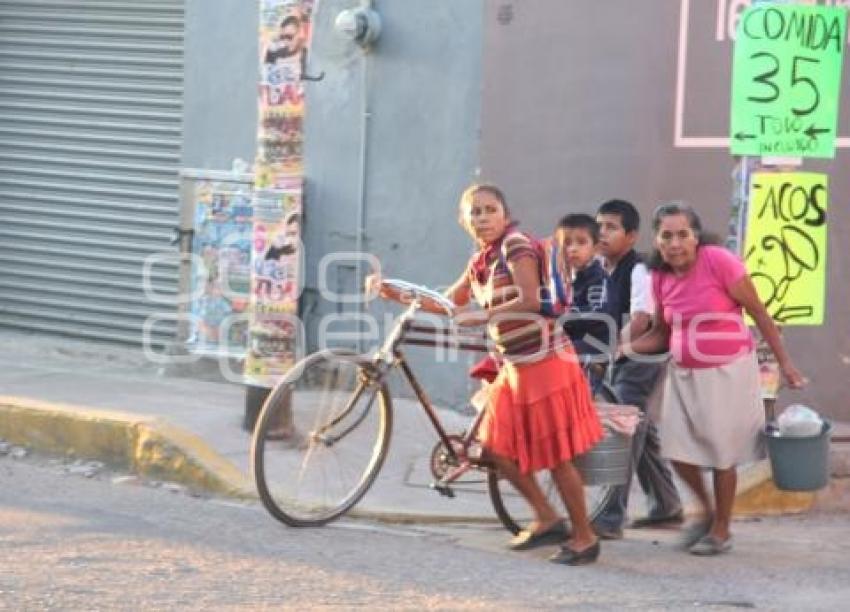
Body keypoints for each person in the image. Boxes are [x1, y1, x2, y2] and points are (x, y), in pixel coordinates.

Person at [369, 184, 604, 565]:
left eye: (489, 210)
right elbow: (451, 303)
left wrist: (485, 315)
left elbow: (529, 298)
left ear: (505, 213)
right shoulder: (481, 259)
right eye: (474, 212)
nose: (482, 218)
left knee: (557, 457)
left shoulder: (515, 246)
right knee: (494, 449)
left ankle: (584, 538)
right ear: (463, 221)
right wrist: (392, 292)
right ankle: (546, 517)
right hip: (514, 367)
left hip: (546, 364)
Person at [623, 201, 805, 555]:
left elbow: (759, 314)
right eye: (666, 236)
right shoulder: (658, 276)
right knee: (674, 447)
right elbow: (662, 332)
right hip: (684, 371)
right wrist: (624, 348)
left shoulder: (718, 261)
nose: (674, 243)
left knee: (723, 453)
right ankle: (705, 511)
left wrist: (787, 365)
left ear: (696, 237)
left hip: (728, 370)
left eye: (682, 235)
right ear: (656, 239)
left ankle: (721, 529)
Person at [590, 199, 682, 540]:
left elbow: (643, 320)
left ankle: (611, 515)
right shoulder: (601, 266)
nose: (602, 233)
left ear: (631, 236)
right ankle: (667, 503)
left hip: (645, 355)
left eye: (611, 227)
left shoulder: (639, 269)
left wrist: (614, 350)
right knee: (641, 429)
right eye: (599, 226)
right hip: (623, 353)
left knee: (624, 429)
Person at [552, 214, 613, 359]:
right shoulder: (566, 278)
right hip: (576, 339)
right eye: (566, 243)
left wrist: (562, 315)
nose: (573, 249)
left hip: (597, 343)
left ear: (596, 248)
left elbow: (598, 312)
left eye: (581, 242)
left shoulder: (598, 278)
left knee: (555, 355)